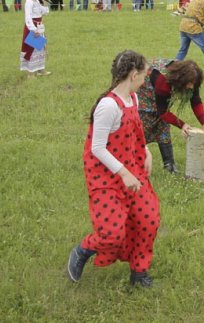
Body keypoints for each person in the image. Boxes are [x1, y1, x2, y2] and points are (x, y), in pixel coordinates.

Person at [67, 50, 159, 288]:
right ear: (132, 74)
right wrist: (124, 173)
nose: (145, 79)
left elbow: (135, 132)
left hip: (132, 168)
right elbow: (97, 148)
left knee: (147, 219)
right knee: (111, 233)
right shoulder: (108, 106)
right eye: (144, 75)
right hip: (106, 176)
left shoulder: (133, 98)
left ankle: (139, 272)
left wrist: (146, 151)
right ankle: (83, 250)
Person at [136, 58, 204, 173]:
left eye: (193, 84)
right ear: (181, 81)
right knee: (145, 123)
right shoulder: (163, 81)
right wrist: (182, 125)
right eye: (189, 84)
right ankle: (134, 160)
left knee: (163, 126)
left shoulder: (193, 79)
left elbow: (196, 101)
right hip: (146, 89)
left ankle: (169, 164)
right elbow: (163, 111)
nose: (191, 87)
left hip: (161, 92)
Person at [20, 0, 50, 76]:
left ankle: (41, 70)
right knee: (32, 49)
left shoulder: (36, 1)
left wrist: (45, 2)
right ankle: (31, 73)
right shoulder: (29, 2)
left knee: (40, 48)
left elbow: (44, 12)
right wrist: (33, 30)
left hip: (39, 26)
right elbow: (28, 17)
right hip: (32, 28)